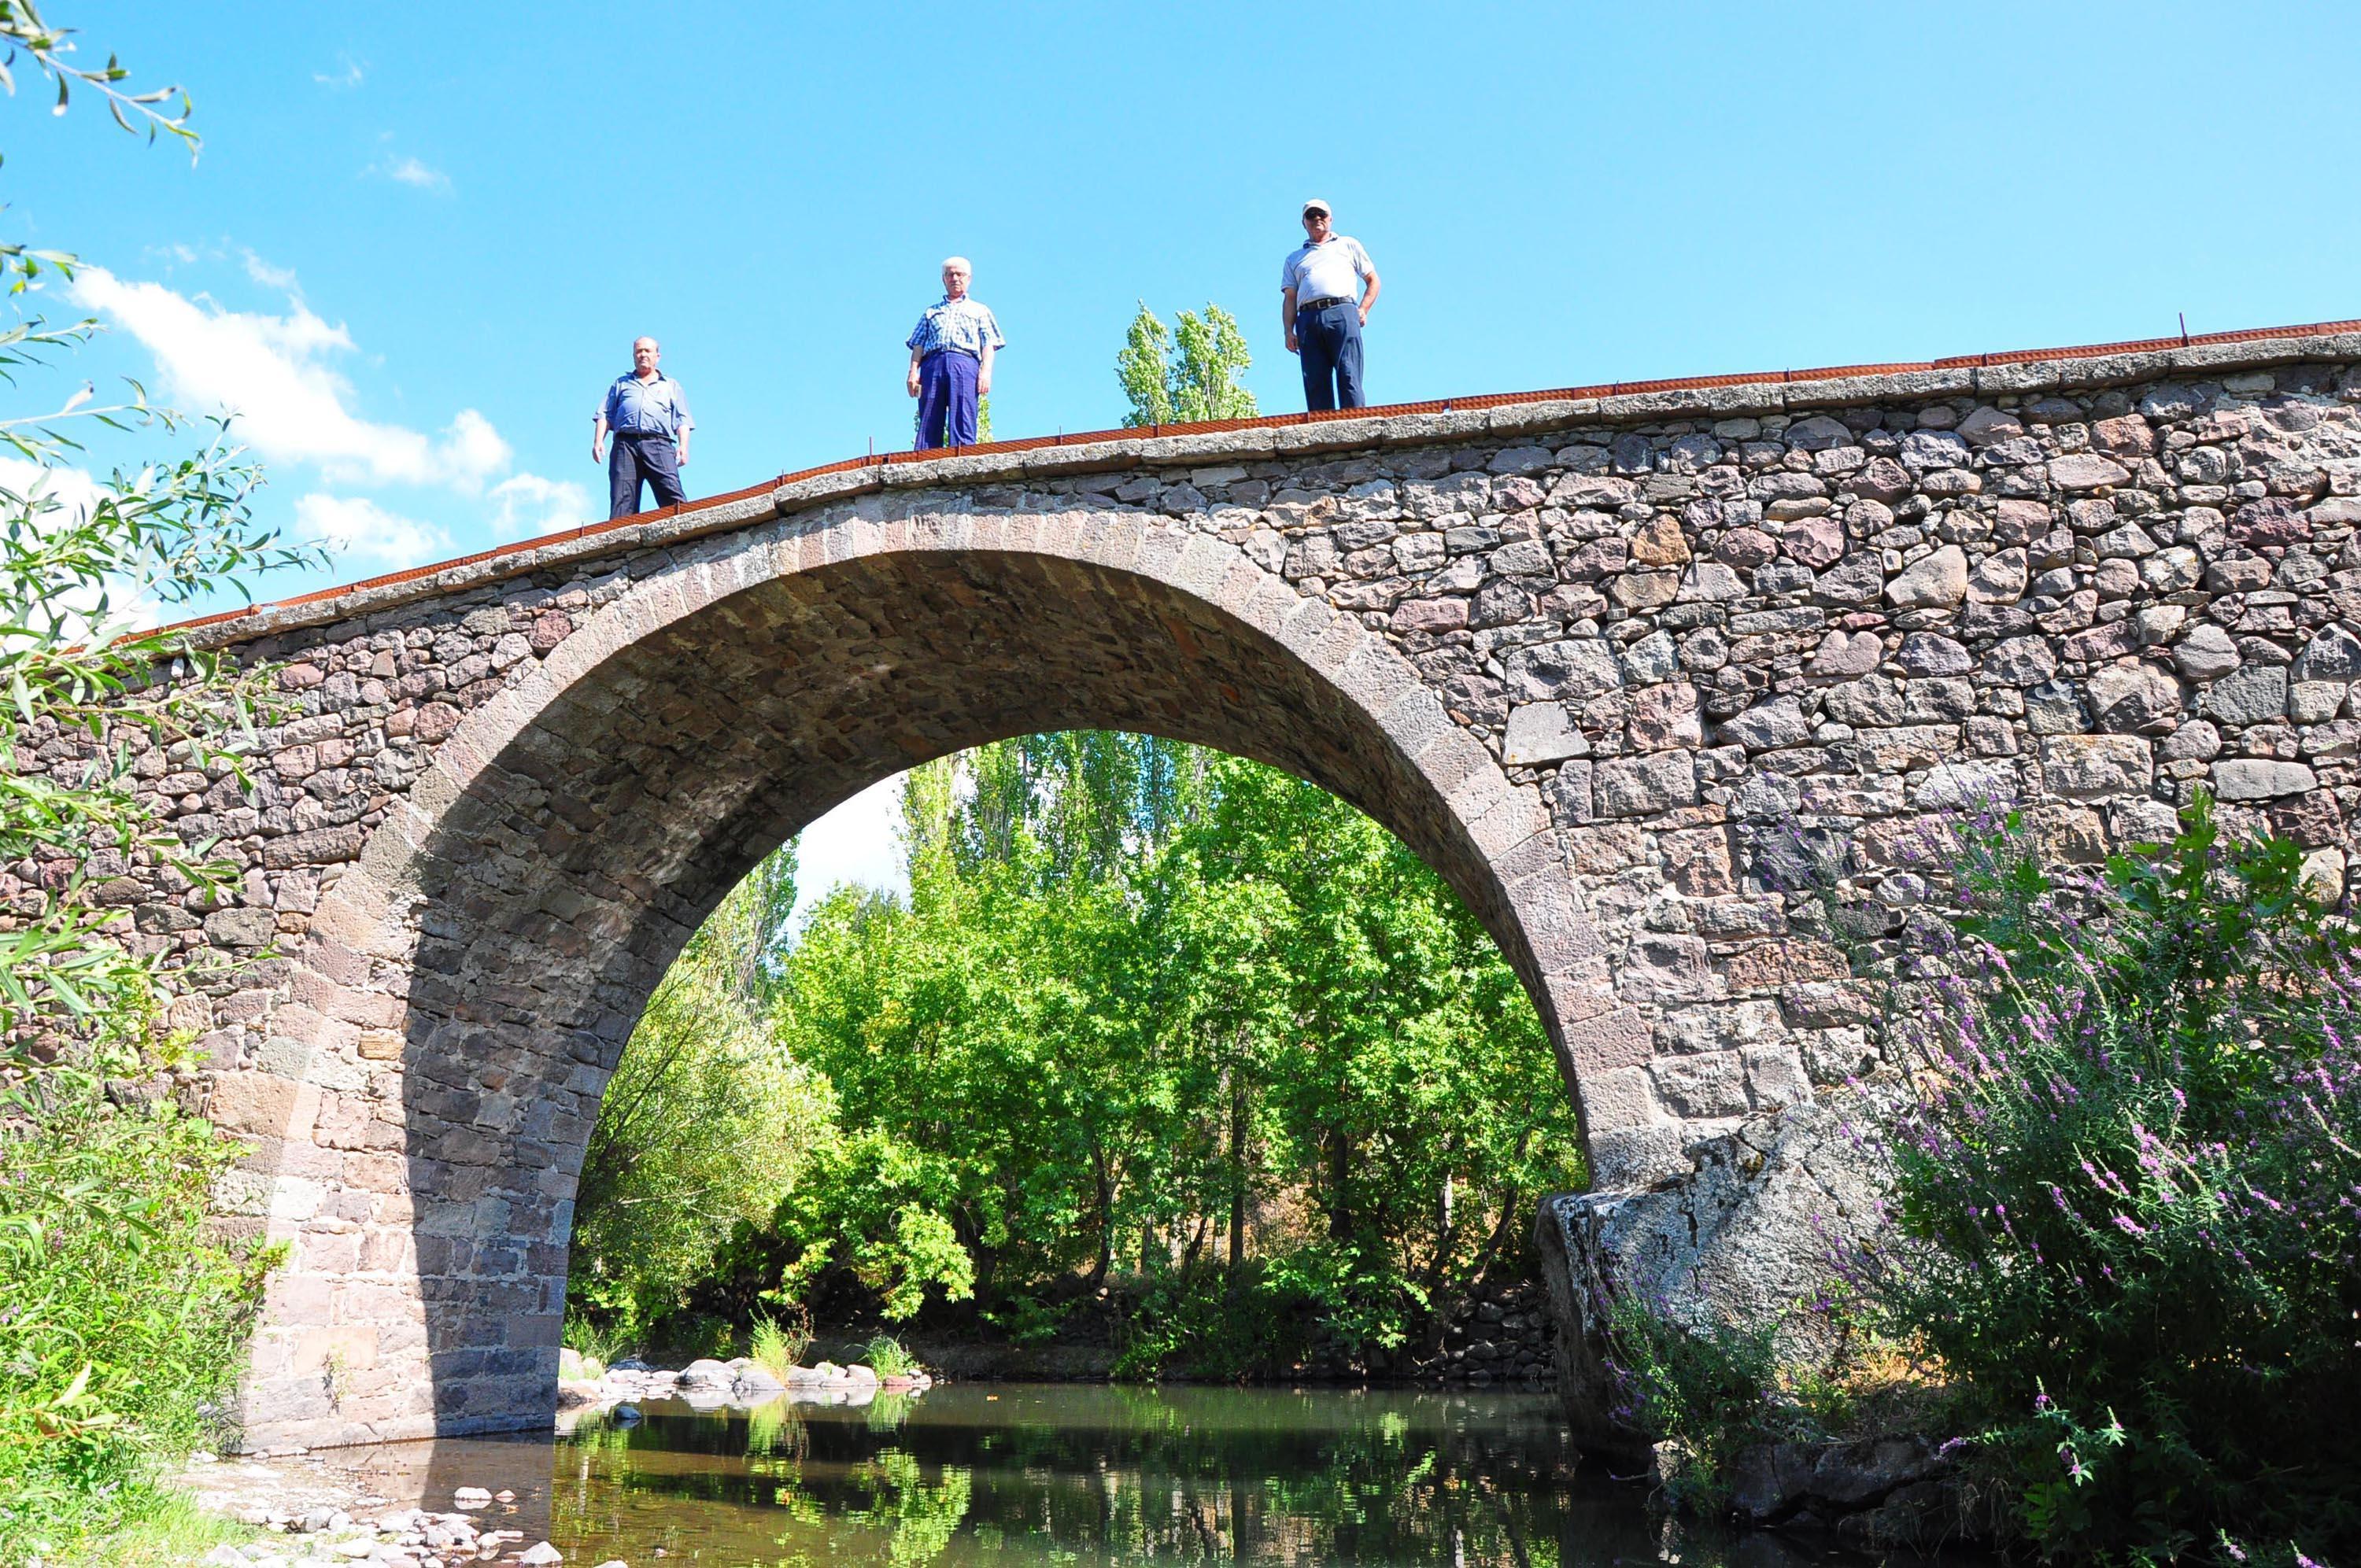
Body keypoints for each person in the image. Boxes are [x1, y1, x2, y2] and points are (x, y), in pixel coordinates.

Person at [1280, 198, 1380, 411]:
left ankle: (1356, 425)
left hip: (1343, 312)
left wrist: (1363, 309)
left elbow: (1373, 280)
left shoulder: (1348, 245)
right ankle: (1321, 431)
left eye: (1322, 215)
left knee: (1349, 373)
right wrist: (1288, 331)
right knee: (1315, 380)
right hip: (1308, 318)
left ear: (1331, 219)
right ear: (1304, 222)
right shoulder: (1294, 258)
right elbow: (1290, 297)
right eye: (1311, 215)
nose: (1317, 219)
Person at [905, 256, 1004, 449]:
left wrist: (986, 372)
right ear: (944, 279)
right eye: (950, 274)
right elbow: (918, 344)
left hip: (965, 362)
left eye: (960, 274)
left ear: (969, 279)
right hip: (933, 363)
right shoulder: (931, 312)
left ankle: (963, 456)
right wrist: (913, 372)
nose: (955, 278)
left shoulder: (979, 310)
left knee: (963, 412)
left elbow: (989, 343)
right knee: (930, 414)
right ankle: (925, 457)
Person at [593, 336, 693, 520]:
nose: (643, 355)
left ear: (657, 356)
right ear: (633, 356)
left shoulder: (671, 385)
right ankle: (620, 545)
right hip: (625, 445)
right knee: (622, 501)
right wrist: (598, 441)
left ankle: (688, 538)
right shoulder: (621, 383)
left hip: (659, 444)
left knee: (672, 494)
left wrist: (683, 447)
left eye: (647, 351)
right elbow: (605, 414)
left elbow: (682, 419)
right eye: (639, 351)